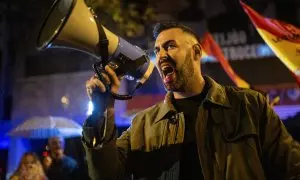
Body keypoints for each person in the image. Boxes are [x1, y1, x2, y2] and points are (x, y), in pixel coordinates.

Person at [82, 21, 300, 180]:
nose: (161, 56)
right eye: (157, 51)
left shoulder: (249, 106)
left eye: (170, 46)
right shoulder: (142, 125)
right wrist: (102, 112)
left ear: (196, 52)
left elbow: (292, 168)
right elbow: (104, 174)